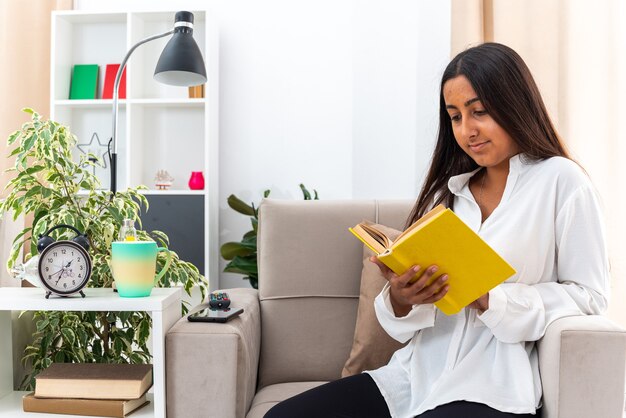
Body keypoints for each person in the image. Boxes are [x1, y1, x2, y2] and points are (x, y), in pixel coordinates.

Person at [264, 42, 609, 418]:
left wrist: (493, 298)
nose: (467, 130)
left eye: (479, 112)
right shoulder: (449, 192)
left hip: (492, 387)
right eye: (455, 117)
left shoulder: (562, 182)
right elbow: (407, 325)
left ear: (514, 104)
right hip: (413, 378)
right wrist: (402, 296)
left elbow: (589, 296)